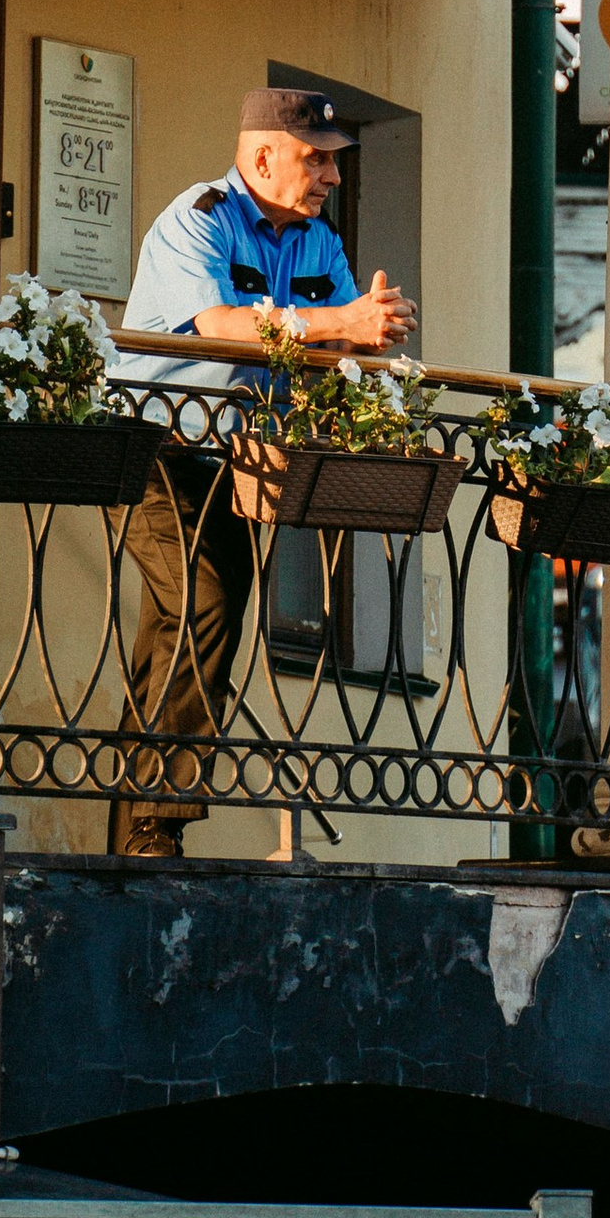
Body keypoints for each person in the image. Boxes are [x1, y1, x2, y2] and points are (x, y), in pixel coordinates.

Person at [107, 88, 416, 856]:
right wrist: (340, 324)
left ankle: (129, 835)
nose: (332, 177)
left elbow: (343, 349)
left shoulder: (322, 244)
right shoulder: (198, 218)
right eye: (318, 159)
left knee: (178, 630)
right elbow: (221, 330)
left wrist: (364, 342)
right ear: (263, 155)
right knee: (205, 599)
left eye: (335, 162)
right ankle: (158, 827)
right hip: (145, 445)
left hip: (226, 460)